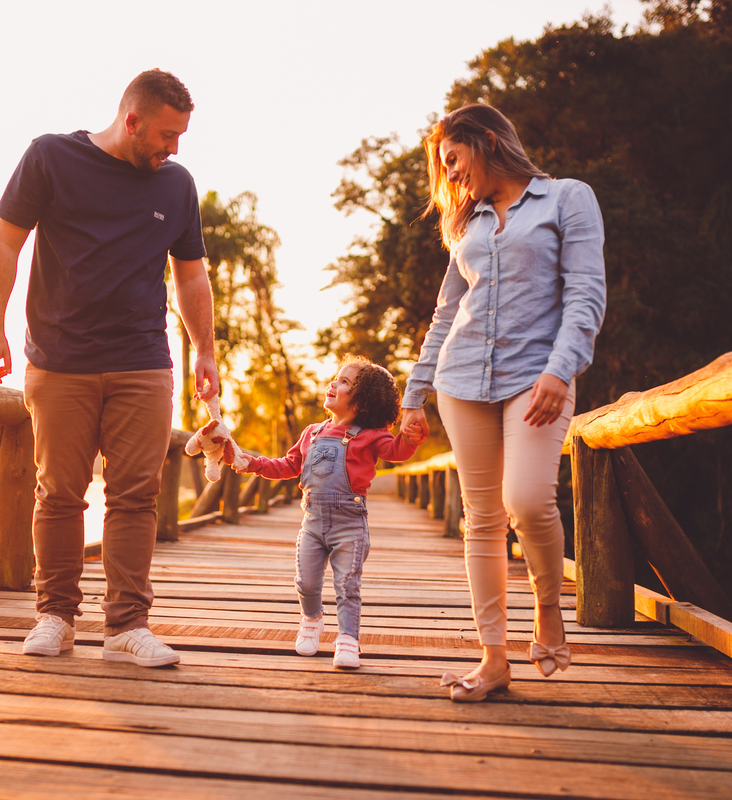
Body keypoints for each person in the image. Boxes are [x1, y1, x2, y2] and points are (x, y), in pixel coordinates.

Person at [0, 69, 219, 667]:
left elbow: (192, 274)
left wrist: (206, 352)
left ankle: (126, 627)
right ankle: (55, 616)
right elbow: (6, 242)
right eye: (166, 134)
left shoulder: (176, 185)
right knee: (59, 493)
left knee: (135, 497)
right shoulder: (51, 157)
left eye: (182, 136)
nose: (174, 147)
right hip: (60, 360)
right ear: (132, 120)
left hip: (143, 360)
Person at [400, 103, 606, 701]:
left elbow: (586, 294)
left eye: (455, 161)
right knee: (482, 521)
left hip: (535, 381)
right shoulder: (468, 223)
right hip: (461, 381)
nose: (452, 176)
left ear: (488, 142)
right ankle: (493, 659)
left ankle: (547, 607)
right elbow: (445, 314)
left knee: (528, 500)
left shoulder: (569, 198)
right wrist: (415, 393)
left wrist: (560, 370)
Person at [234, 355, 424, 669]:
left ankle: (348, 639)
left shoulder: (370, 436)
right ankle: (312, 620)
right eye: (337, 377)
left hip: (350, 524)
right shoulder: (311, 433)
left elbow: (396, 451)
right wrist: (251, 463)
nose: (333, 383)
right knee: (306, 582)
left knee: (347, 584)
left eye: (345, 382)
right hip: (312, 522)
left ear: (363, 402)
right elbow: (288, 466)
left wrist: (411, 437)